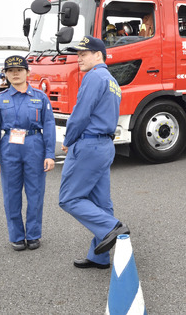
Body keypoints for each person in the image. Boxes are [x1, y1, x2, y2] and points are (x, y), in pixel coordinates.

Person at [58, 36, 128, 270]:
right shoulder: (111, 80)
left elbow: (81, 114)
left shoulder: (94, 76)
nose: (79, 58)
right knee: (101, 202)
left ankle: (112, 228)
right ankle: (99, 257)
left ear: (98, 55)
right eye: (78, 54)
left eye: (83, 54)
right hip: (104, 145)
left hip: (88, 145)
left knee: (69, 198)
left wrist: (68, 140)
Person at [0, 56, 56, 251]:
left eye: (19, 69)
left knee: (35, 192)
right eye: (10, 71)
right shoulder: (0, 99)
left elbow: (49, 126)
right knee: (11, 194)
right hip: (9, 147)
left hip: (34, 144)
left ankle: (33, 234)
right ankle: (16, 235)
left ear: (28, 72)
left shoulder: (40, 97)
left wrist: (50, 154)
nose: (15, 73)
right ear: (6, 74)